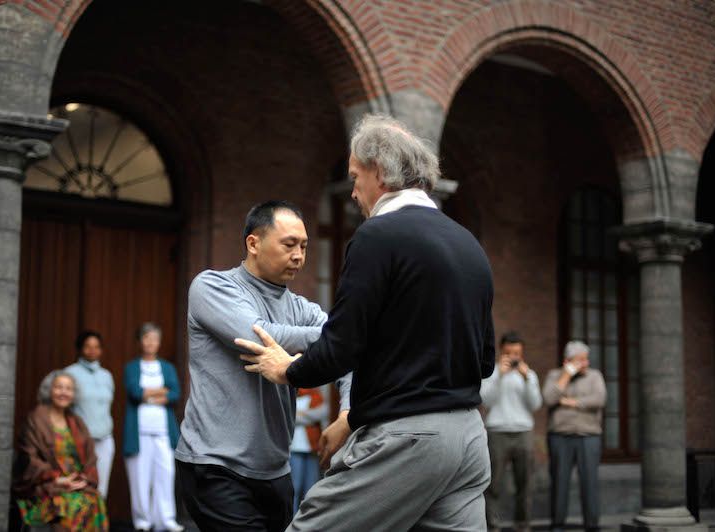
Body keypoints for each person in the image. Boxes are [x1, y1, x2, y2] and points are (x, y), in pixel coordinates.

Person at [235, 114, 496, 531]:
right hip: (469, 440)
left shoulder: (377, 236)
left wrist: (287, 369)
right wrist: (353, 419)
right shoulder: (469, 245)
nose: (353, 191)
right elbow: (483, 362)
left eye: (355, 176)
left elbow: (343, 345)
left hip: (407, 442)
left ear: (379, 171)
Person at [175, 200, 351, 532]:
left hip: (275, 471)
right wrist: (337, 335)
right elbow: (258, 334)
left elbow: (349, 358)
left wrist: (347, 413)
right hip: (216, 468)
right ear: (253, 243)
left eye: (303, 246)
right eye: (289, 244)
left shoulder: (302, 309)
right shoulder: (212, 286)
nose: (299, 255)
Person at [12, 370, 109, 531]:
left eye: (68, 389)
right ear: (49, 390)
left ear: (74, 394)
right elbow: (28, 458)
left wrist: (82, 479)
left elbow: (90, 458)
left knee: (94, 499)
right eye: (59, 387)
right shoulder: (35, 420)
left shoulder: (76, 422)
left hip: (76, 484)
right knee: (73, 504)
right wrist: (57, 480)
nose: (63, 392)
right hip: (43, 488)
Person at [480, 331, 543, 532]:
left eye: (517, 353)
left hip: (523, 432)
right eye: (510, 353)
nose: (514, 357)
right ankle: (493, 526)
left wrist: (527, 379)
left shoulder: (529, 374)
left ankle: (523, 526)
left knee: (525, 485)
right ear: (502, 351)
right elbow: (485, 401)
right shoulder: (492, 373)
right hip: (497, 432)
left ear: (522, 353)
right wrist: (499, 375)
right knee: (493, 485)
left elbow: (535, 404)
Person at [123, 322, 183, 532]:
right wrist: (160, 392)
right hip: (138, 433)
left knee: (166, 475)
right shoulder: (131, 367)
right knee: (139, 478)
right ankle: (142, 521)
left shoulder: (167, 367)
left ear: (159, 342)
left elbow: (174, 393)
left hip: (164, 432)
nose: (150, 342)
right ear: (140, 341)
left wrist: (149, 393)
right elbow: (135, 392)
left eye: (154, 339)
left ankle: (166, 520)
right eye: (147, 338)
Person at [542, 340, 607, 532]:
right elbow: (548, 398)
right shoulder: (555, 375)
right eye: (580, 360)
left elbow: (599, 399)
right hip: (560, 436)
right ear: (567, 361)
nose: (585, 363)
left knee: (590, 482)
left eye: (586, 359)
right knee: (559, 482)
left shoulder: (595, 376)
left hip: (589, 436)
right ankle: (557, 524)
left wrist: (571, 402)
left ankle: (592, 525)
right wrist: (566, 375)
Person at [65, 330, 115, 498]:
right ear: (80, 348)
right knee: (81, 484)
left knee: (102, 488)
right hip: (80, 439)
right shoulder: (70, 373)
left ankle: (97, 524)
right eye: (88, 346)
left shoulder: (106, 375)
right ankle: (80, 523)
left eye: (96, 347)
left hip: (105, 439)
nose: (92, 350)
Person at [289, 387, 327, 514]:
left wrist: (299, 414)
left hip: (312, 448)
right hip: (294, 449)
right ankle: (292, 520)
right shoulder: (289, 393)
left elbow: (322, 413)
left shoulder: (314, 394)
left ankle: (309, 518)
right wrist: (308, 416)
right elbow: (288, 416)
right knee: (295, 488)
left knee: (311, 488)